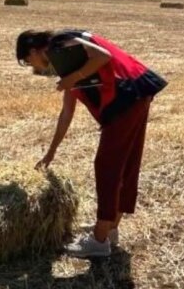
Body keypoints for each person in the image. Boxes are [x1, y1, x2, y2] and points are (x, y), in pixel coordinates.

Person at [15, 29, 167, 257]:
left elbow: (103, 55)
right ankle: (110, 228)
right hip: (136, 93)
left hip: (126, 97)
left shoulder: (61, 43)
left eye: (29, 61)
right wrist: (51, 153)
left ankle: (99, 241)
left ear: (35, 50)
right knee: (125, 164)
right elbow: (66, 114)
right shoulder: (68, 63)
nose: (34, 67)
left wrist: (73, 78)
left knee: (107, 167)